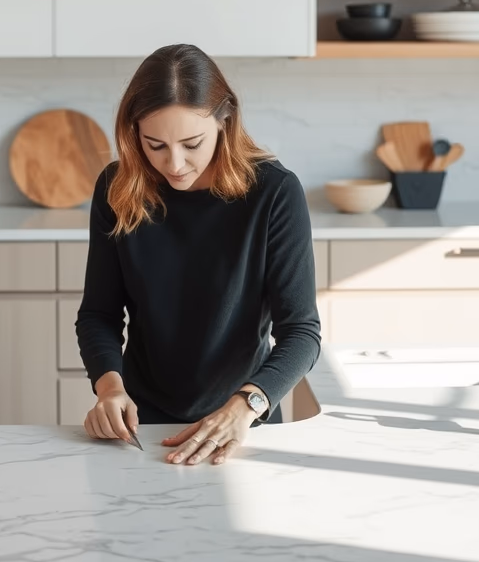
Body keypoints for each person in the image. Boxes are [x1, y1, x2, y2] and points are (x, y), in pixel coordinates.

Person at [75, 43, 322, 466]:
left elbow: (301, 331)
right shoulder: (117, 187)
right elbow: (99, 312)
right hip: (141, 424)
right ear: (134, 133)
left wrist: (246, 406)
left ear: (225, 121)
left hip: (243, 419)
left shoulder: (274, 192)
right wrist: (109, 388)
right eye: (155, 145)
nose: (174, 164)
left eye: (192, 143)